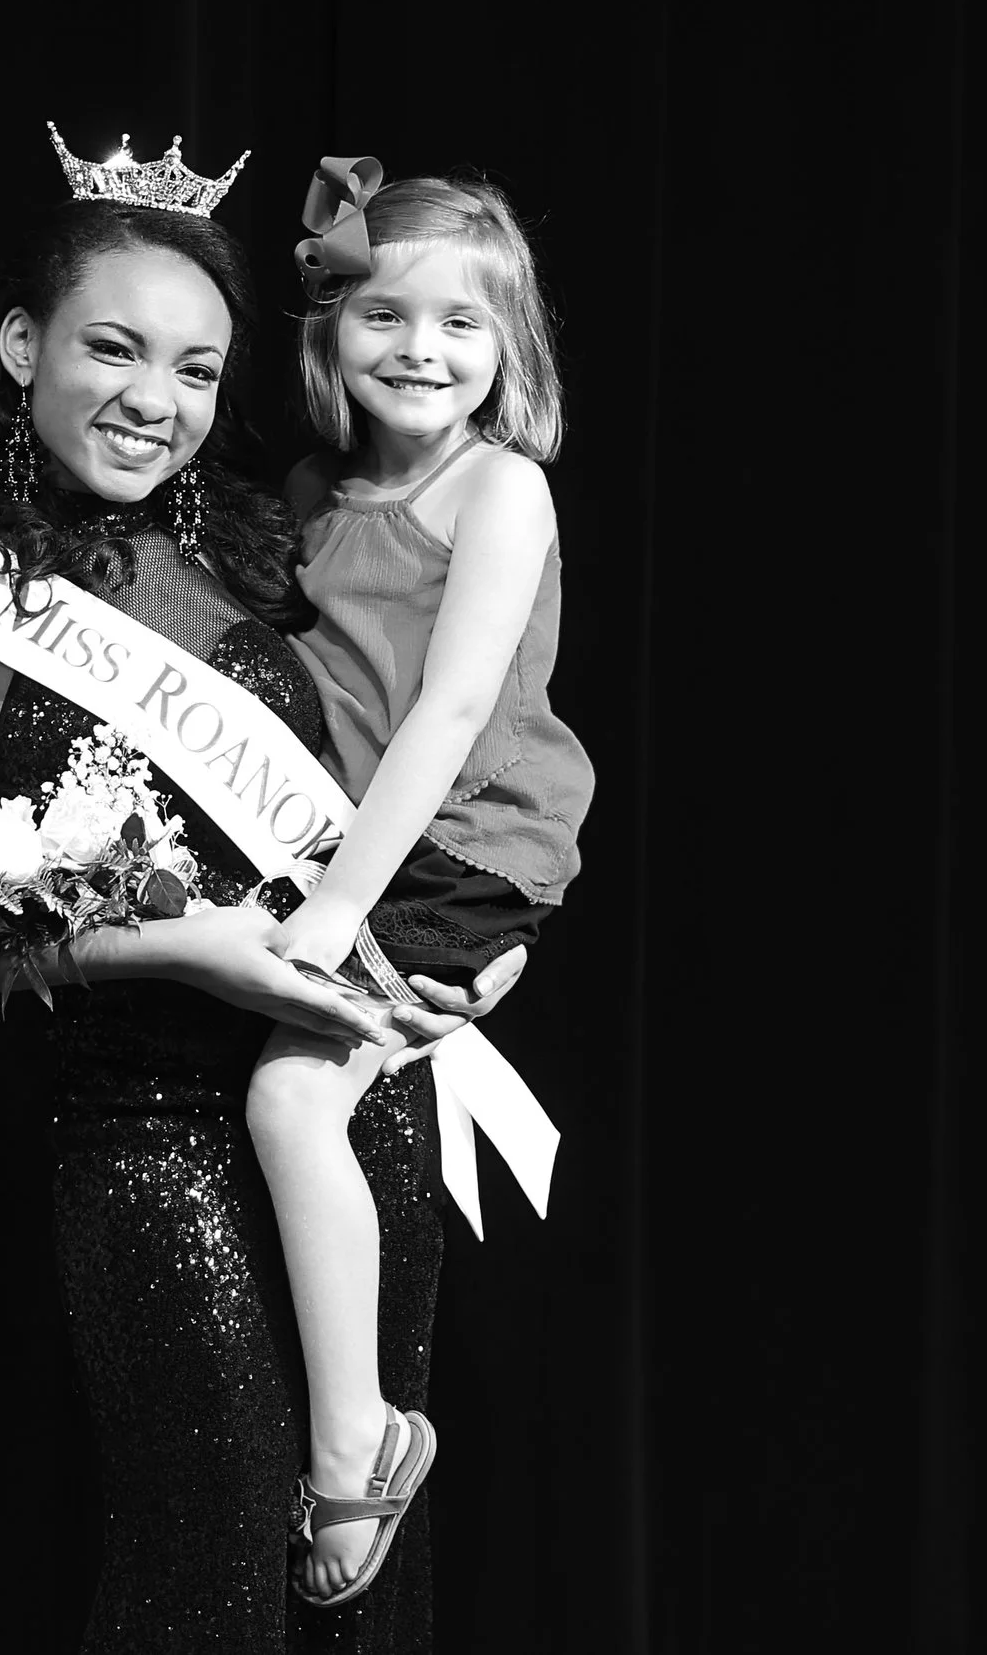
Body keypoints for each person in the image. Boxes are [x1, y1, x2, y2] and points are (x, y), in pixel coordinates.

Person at [0, 127, 526, 1652]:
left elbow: (441, 757)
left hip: (348, 1091)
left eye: (198, 371)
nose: (158, 401)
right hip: (147, 1136)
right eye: (115, 350)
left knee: (349, 1577)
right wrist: (192, 945)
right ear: (23, 345)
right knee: (208, 1536)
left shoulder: (267, 549)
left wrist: (483, 946)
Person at [242, 164, 593, 1605]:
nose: (421, 348)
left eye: (464, 321)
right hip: (343, 834)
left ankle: (360, 1439)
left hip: (461, 840)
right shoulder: (312, 494)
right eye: (385, 312)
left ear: (512, 350)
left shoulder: (496, 487)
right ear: (329, 331)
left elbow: (448, 717)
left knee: (287, 1092)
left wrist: (333, 908)